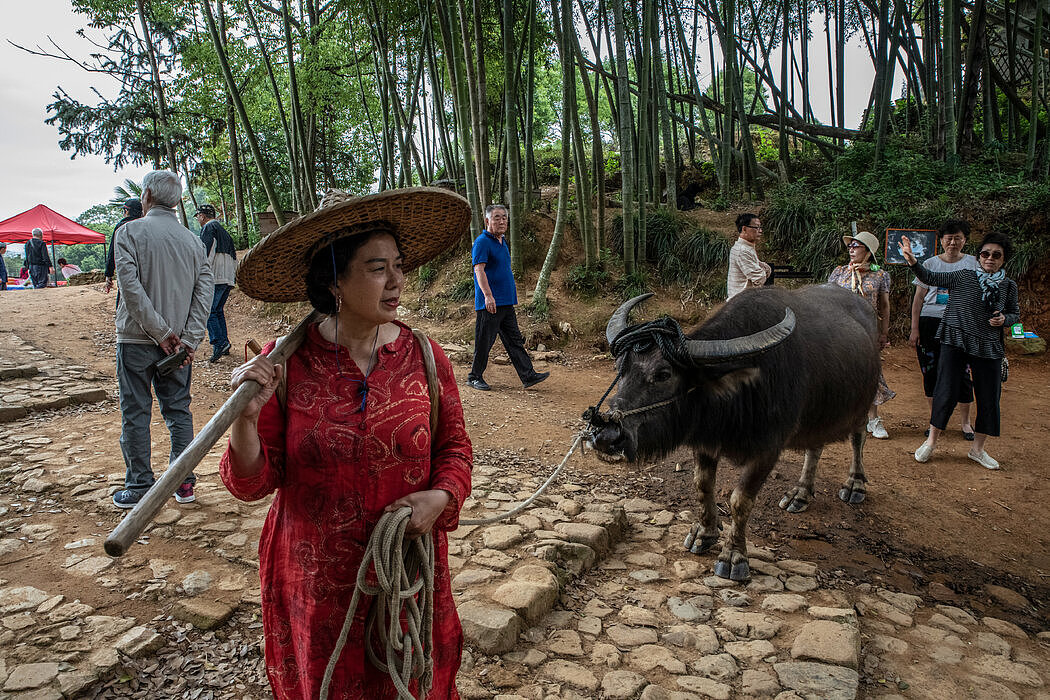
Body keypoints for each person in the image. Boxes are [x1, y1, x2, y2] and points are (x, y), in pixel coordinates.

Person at [220, 187, 473, 699]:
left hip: (406, 572)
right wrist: (243, 421)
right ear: (335, 278)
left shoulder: (425, 356)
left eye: (399, 265)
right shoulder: (283, 363)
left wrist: (442, 496)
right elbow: (251, 483)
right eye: (378, 268)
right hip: (316, 583)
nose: (398, 280)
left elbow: (455, 449)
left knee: (411, 679)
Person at [111, 171, 213, 508]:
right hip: (179, 347)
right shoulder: (192, 241)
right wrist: (188, 339)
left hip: (135, 338)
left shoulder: (129, 232)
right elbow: (204, 294)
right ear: (178, 201)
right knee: (179, 411)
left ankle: (140, 485)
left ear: (148, 196)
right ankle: (183, 483)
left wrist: (160, 332)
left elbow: (130, 288)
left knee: (136, 412)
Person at [900, 232, 1020, 469]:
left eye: (997, 255)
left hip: (988, 345)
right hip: (955, 339)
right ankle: (931, 443)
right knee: (945, 389)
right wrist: (913, 261)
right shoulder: (963, 276)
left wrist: (1005, 319)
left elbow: (1015, 314)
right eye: (985, 253)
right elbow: (929, 276)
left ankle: (978, 450)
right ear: (979, 256)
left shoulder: (1008, 285)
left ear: (1003, 260)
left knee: (989, 396)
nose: (990, 258)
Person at [466, 204, 549, 391]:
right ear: (488, 221)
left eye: (504, 217)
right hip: (490, 303)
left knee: (514, 341)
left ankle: (528, 375)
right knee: (484, 342)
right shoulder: (482, 242)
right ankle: (474, 377)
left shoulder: (502, 242)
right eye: (497, 217)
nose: (502, 221)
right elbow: (479, 270)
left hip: (506, 302)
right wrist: (488, 296)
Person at [908, 220, 978, 440]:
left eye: (958, 238)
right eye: (948, 238)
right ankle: (934, 421)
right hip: (931, 323)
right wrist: (914, 329)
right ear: (941, 241)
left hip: (962, 325)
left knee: (964, 374)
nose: (953, 242)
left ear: (965, 240)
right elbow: (918, 299)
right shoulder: (928, 264)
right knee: (931, 372)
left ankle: (966, 423)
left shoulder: (974, 264)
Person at [827, 231, 895, 439]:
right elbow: (827, 301)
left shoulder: (880, 275)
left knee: (870, 373)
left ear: (868, 252)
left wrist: (883, 333)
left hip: (866, 331)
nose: (851, 249)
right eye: (850, 246)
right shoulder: (839, 273)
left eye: (856, 246)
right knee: (841, 373)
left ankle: (873, 420)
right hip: (840, 332)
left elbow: (884, 306)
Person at [195, 204, 238, 362]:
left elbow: (206, 252)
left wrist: (200, 274)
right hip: (227, 276)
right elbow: (234, 257)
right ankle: (225, 342)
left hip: (215, 275)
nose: (198, 219)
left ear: (203, 216)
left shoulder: (208, 228)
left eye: (198, 216)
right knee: (218, 310)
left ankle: (219, 343)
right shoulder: (225, 232)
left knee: (209, 311)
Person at [727, 213, 771, 299]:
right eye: (756, 227)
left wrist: (763, 269)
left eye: (760, 227)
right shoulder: (742, 250)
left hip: (745, 301)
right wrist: (763, 270)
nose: (760, 231)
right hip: (740, 304)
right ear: (744, 229)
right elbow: (759, 278)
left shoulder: (747, 247)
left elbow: (765, 270)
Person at [105, 198, 143, 294]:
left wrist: (109, 274)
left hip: (127, 273)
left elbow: (112, 253)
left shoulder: (121, 227)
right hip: (146, 272)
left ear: (126, 211)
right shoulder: (146, 226)